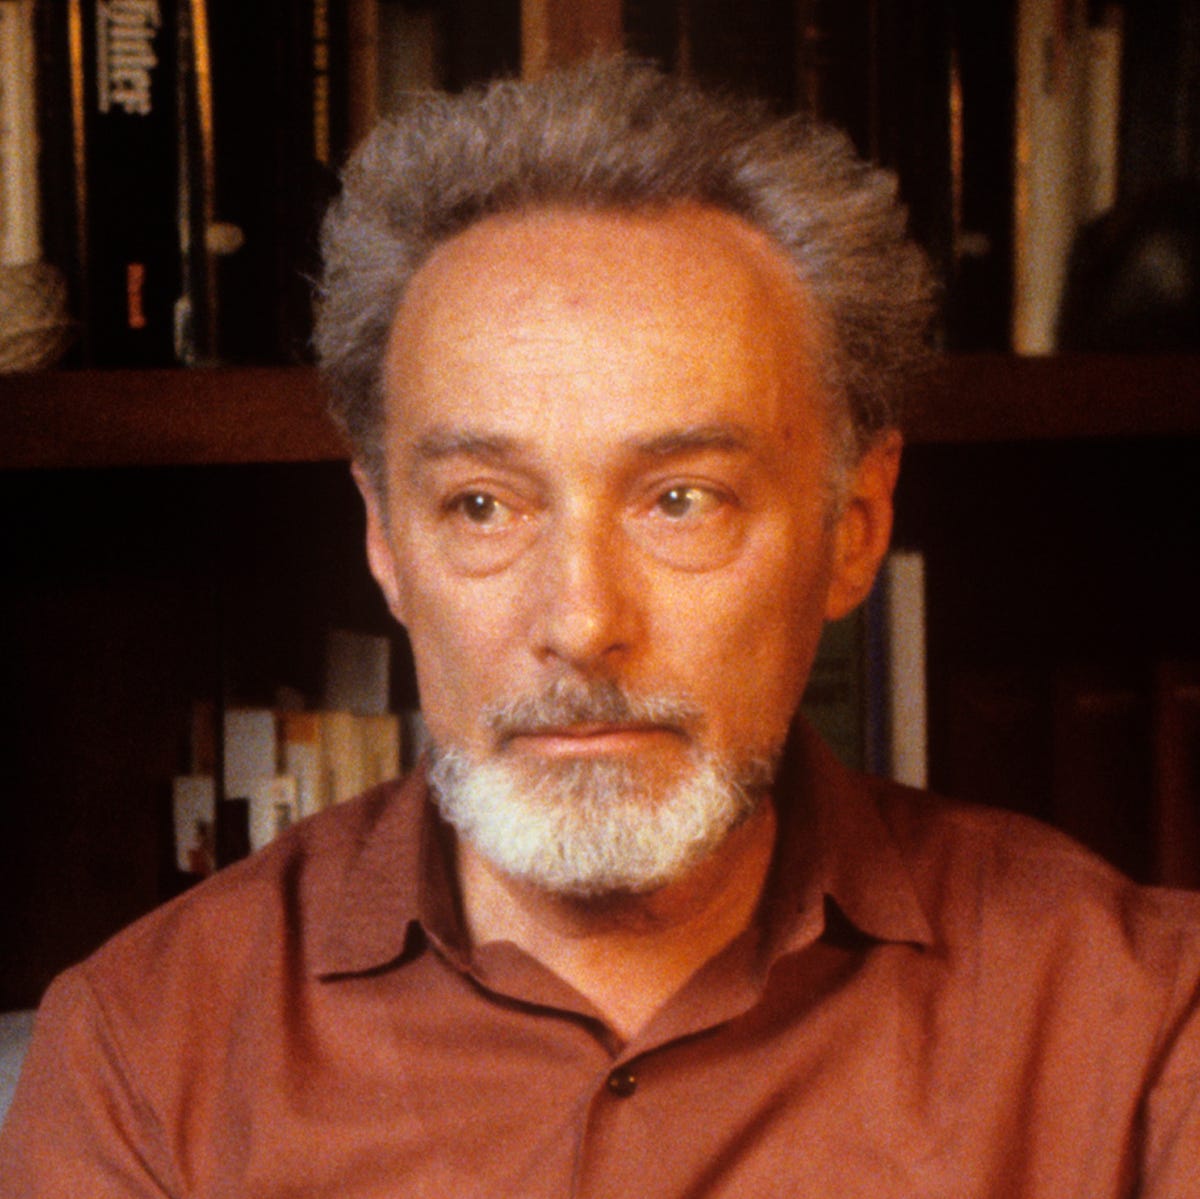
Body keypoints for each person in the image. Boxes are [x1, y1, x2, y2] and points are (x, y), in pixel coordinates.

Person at [2, 57, 1198, 1197]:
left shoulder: (1140, 1029)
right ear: (383, 537)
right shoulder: (147, 1053)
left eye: (681, 499)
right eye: (483, 505)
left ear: (855, 523)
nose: (579, 621)